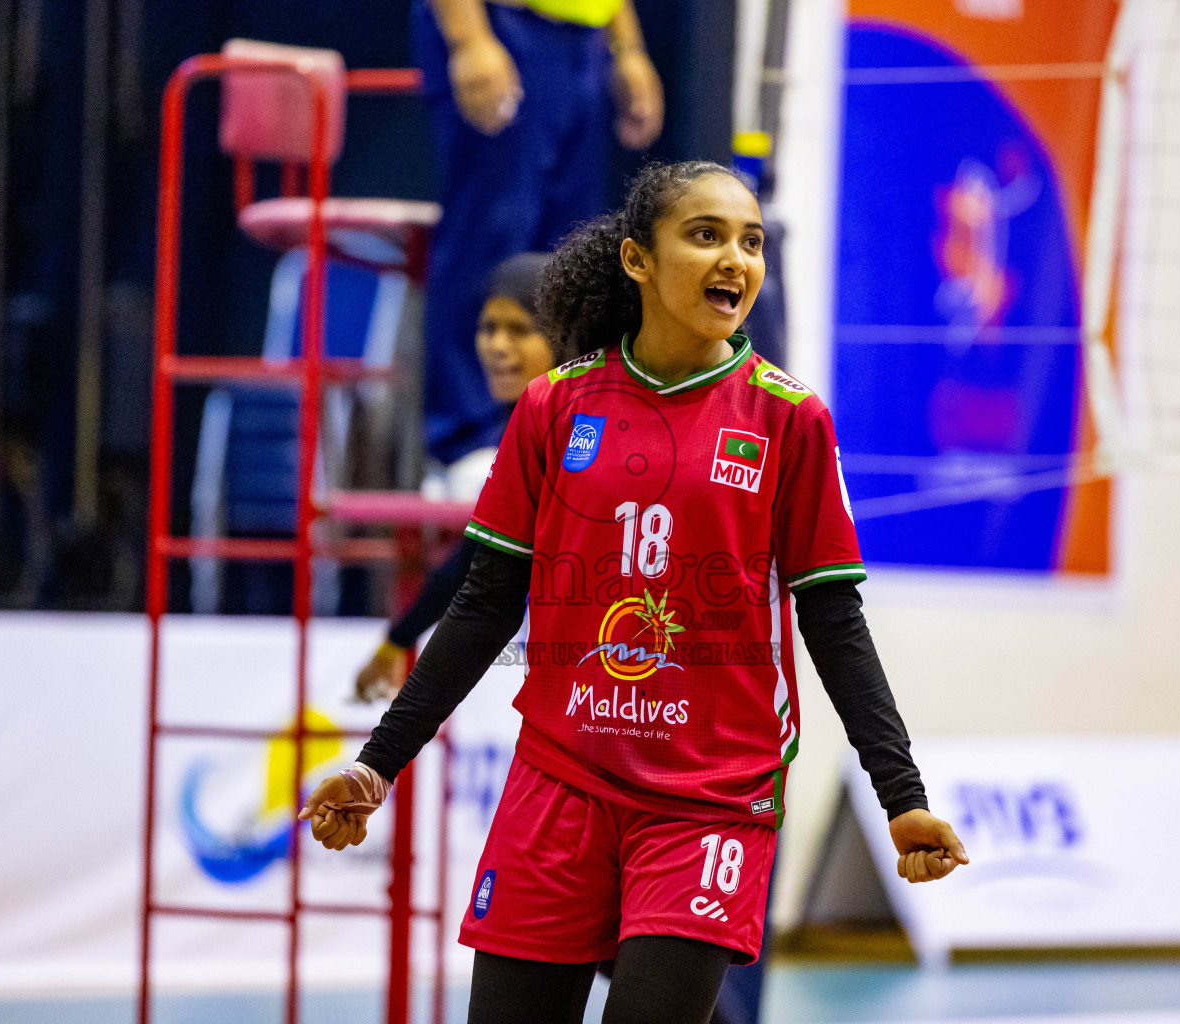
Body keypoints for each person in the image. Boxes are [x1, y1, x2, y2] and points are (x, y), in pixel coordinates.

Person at [301, 162, 966, 1024]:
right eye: (706, 235)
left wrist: (902, 797)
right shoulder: (553, 407)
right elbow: (484, 604)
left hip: (709, 800)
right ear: (637, 261)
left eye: (751, 241)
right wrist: (375, 763)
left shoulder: (788, 419)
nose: (735, 257)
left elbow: (835, 622)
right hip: (560, 783)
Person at [414, 0, 664, 471]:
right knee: (490, 238)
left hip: (582, 38)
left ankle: (553, 434)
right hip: (498, 27)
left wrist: (627, 47)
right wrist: (469, 39)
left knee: (569, 257)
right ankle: (464, 447)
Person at [354, 252, 555, 701]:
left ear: (565, 336)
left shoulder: (586, 431)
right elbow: (478, 558)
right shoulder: (525, 428)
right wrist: (399, 639)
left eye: (520, 330)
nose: (497, 345)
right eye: (489, 328)